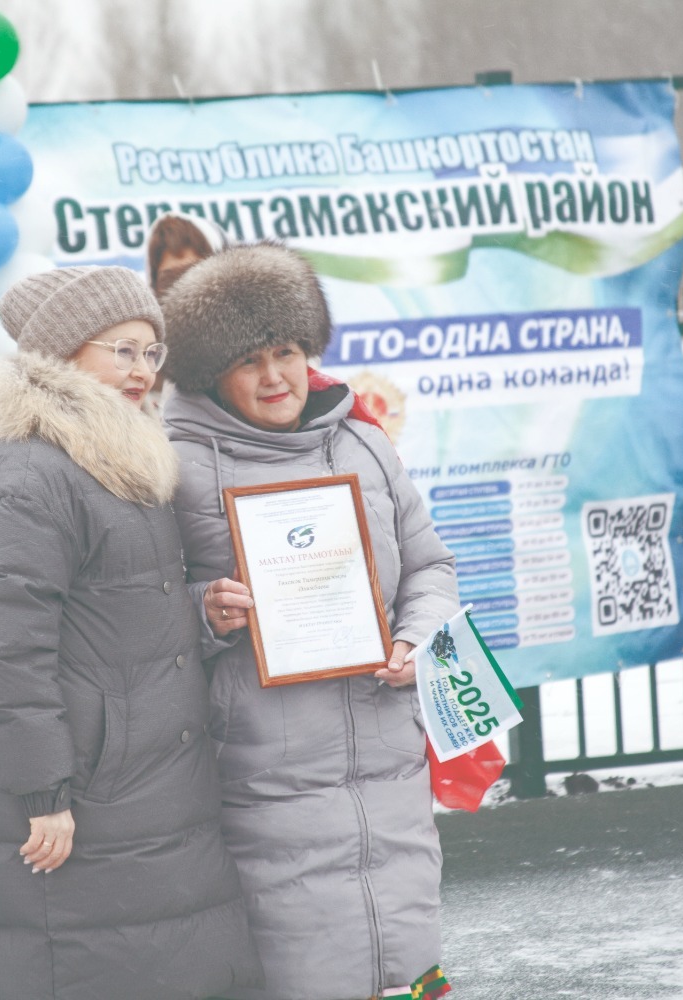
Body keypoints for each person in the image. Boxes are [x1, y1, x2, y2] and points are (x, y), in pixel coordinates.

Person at [160, 243, 460, 1000]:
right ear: (211, 373)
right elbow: (134, 615)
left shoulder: (362, 441)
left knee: (408, 971)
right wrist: (205, 611)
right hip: (269, 776)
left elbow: (430, 567)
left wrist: (415, 640)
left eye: (287, 352)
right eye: (249, 360)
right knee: (304, 969)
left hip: (389, 765)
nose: (275, 377)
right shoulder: (175, 467)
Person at [0, 265, 262, 999]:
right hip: (88, 789)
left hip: (148, 779)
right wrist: (42, 791)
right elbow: (5, 647)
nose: (141, 371)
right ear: (63, 354)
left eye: (151, 352)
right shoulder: (32, 473)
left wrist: (199, 612)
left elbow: (112, 609)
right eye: (121, 350)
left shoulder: (116, 454)